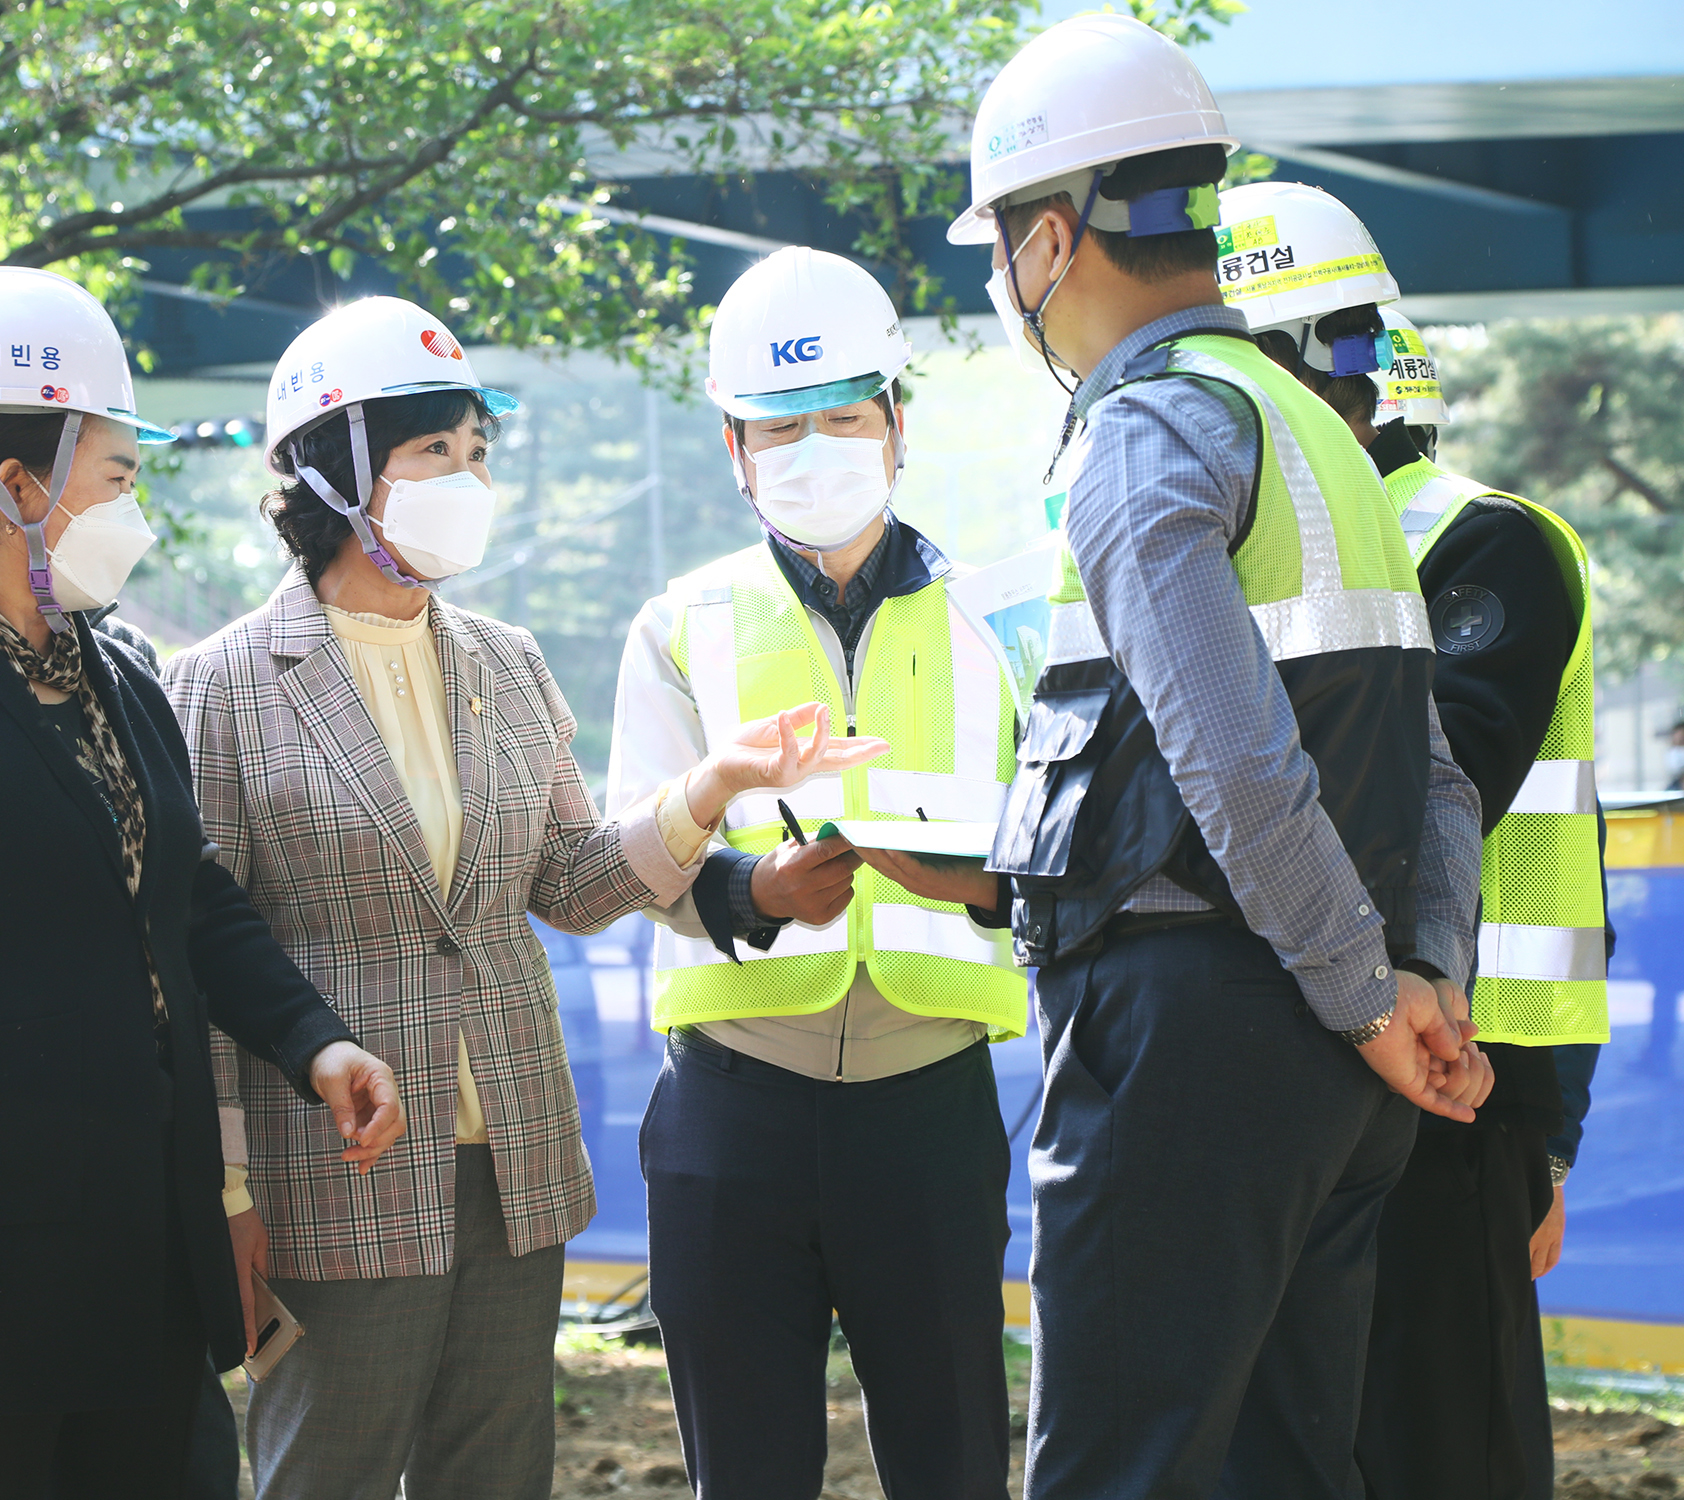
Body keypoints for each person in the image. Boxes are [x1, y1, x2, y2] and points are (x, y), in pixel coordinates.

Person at [159, 294, 885, 1500]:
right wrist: (225, 1192)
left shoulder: (505, 661)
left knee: (496, 1474)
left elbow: (571, 881)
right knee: (323, 1473)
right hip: (332, 1166)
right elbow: (200, 952)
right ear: (335, 474)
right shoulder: (218, 689)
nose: (469, 478)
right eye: (433, 452)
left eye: (478, 453)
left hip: (515, 1159)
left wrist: (714, 783)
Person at [926, 15, 1492, 1498]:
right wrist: (1424, 982)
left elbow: (1238, 771)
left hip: (1190, 1037)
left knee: (1128, 1466)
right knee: (1284, 1468)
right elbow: (1433, 775)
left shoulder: (1147, 435)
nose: (1002, 282)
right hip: (1338, 1066)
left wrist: (1376, 998)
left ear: (1053, 237)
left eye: (999, 247)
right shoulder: (1314, 427)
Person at [0, 265, 406, 1500]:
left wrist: (312, 1042)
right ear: (20, 487)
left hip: (143, 1238)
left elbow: (195, 900)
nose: (135, 509)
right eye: (117, 479)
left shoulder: (117, 675)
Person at [604, 245, 1030, 1499]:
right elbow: (636, 850)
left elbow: (1065, 844)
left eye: (843, 416)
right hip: (735, 1110)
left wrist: (955, 877)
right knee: (745, 1473)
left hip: (932, 1108)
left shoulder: (1001, 619)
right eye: (779, 429)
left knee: (953, 1464)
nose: (815, 450)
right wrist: (753, 896)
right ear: (734, 451)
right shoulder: (681, 622)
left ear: (899, 422)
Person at [1214, 183, 1611, 1499]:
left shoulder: (1482, 542)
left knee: (1439, 1451)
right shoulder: (1253, 558)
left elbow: (1413, 795)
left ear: (1344, 371)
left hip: (1456, 1083)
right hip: (1295, 1074)